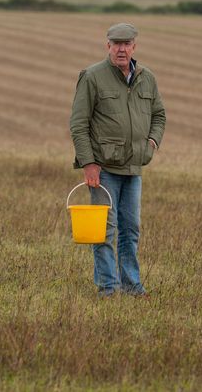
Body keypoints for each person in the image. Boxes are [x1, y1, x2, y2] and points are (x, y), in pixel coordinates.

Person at [70, 22, 166, 297]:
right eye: (116, 44)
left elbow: (159, 115)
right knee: (103, 231)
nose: (121, 49)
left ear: (134, 47)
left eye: (127, 44)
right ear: (108, 46)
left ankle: (132, 286)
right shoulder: (92, 76)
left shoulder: (147, 78)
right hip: (104, 169)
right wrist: (88, 163)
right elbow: (78, 123)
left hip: (134, 168)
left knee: (130, 230)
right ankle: (108, 288)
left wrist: (151, 143)